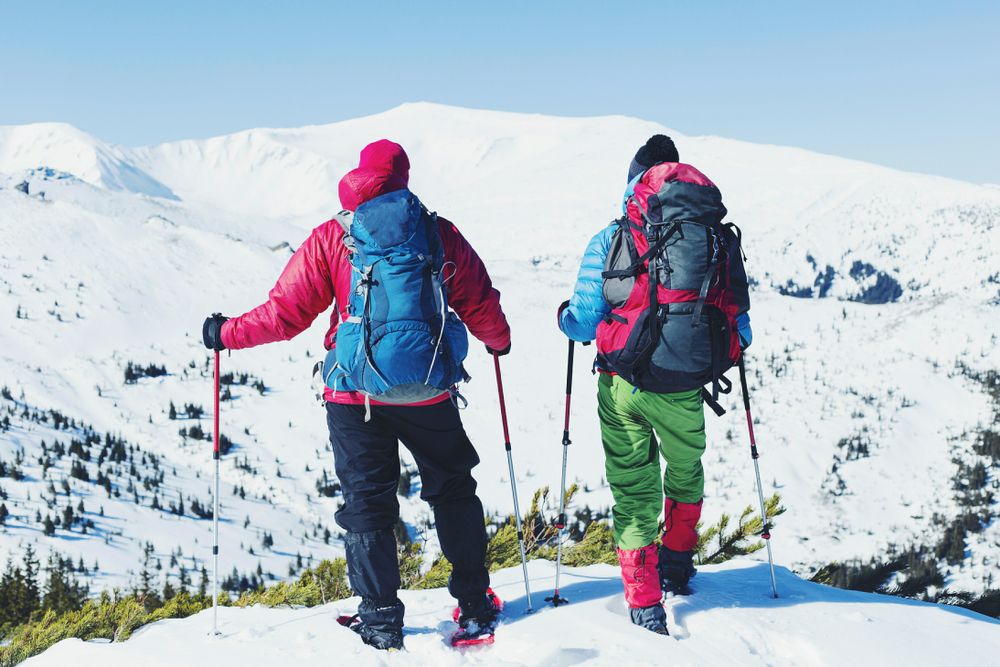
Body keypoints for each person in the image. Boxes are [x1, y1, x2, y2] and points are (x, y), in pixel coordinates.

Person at [202, 139, 510, 651]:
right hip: (428, 389)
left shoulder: (334, 237)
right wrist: (499, 342)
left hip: (353, 396)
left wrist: (226, 332)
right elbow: (479, 301)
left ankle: (381, 617)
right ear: (404, 179)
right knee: (453, 489)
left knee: (367, 503)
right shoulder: (438, 234)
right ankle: (475, 603)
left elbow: (284, 314)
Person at [557, 135, 752, 634]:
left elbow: (583, 321)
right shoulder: (711, 234)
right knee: (686, 469)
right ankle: (678, 564)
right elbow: (740, 325)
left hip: (622, 383)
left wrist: (565, 319)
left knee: (632, 487)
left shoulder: (612, 236)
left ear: (634, 181)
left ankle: (644, 601)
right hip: (685, 382)